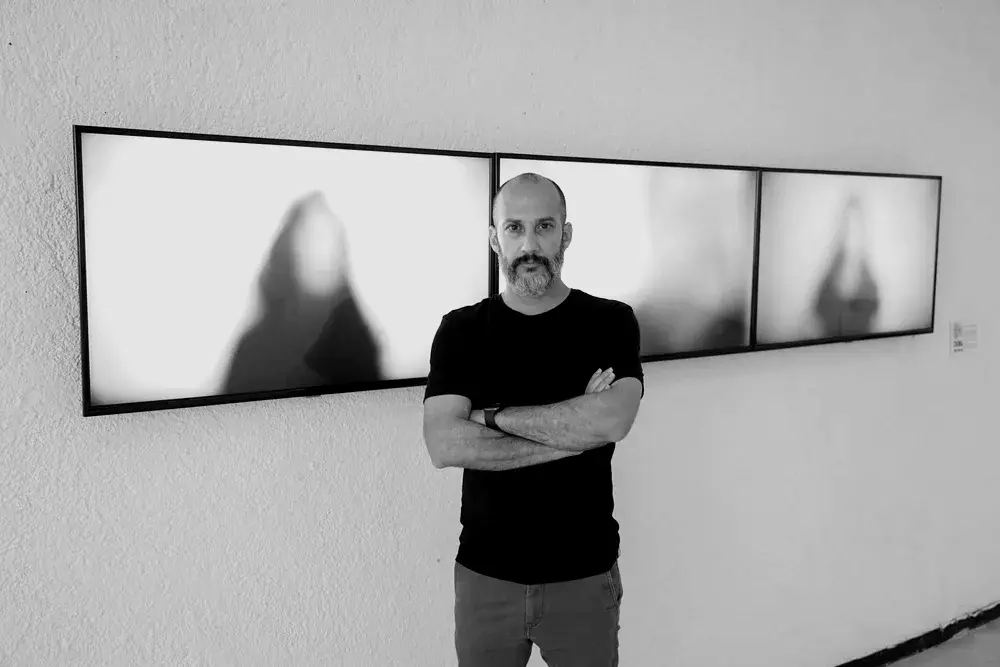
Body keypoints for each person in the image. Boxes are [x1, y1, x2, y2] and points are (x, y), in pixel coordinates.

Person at [422, 173, 645, 666]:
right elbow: (444, 445)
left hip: (583, 577)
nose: (529, 244)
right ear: (494, 239)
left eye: (544, 226)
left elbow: (612, 421)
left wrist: (490, 417)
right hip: (486, 579)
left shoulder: (610, 321)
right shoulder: (461, 330)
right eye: (514, 228)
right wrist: (575, 431)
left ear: (566, 234)